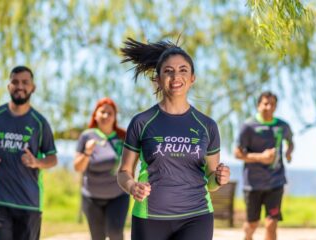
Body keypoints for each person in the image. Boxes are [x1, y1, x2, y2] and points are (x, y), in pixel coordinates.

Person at [117, 38, 230, 240]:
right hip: (149, 217)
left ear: (193, 78)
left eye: (183, 70)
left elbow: (211, 181)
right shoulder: (141, 122)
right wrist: (133, 186)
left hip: (197, 216)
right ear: (158, 79)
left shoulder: (207, 125)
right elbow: (124, 172)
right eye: (168, 70)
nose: (176, 76)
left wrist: (219, 178)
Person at [0, 66, 58, 240]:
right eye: (15, 82)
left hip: (30, 204)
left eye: (25, 82)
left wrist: (36, 162)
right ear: (8, 86)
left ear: (33, 87)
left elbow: (52, 158)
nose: (20, 86)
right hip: (0, 201)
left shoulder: (40, 122)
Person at [234, 91, 294, 240]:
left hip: (276, 182)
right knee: (252, 224)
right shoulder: (248, 127)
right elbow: (237, 153)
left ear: (276, 106)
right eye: (265, 103)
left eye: (272, 104)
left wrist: (288, 152)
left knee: (271, 224)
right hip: (253, 184)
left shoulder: (283, 126)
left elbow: (290, 142)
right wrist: (261, 157)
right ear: (258, 105)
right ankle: (247, 236)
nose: (268, 107)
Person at [73, 97, 129, 240]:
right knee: (97, 237)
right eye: (102, 112)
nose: (106, 116)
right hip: (92, 197)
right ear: (95, 115)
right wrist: (87, 152)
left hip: (118, 196)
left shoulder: (123, 137)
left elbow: (131, 163)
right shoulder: (86, 136)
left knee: (115, 233)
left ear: (115, 117)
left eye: (110, 113)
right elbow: (78, 167)